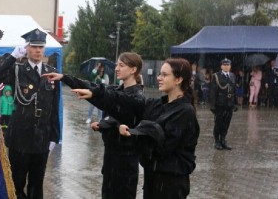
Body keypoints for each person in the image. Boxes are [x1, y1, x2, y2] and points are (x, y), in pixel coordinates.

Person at [70, 57, 200, 199]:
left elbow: (161, 147)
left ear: (178, 79)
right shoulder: (157, 105)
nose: (159, 78)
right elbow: (126, 103)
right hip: (152, 180)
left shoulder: (184, 111)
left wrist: (135, 133)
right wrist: (95, 94)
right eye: (159, 74)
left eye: (164, 74)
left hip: (171, 185)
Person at [43, 52, 145, 199]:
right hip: (110, 161)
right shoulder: (118, 90)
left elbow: (113, 98)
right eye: (117, 64)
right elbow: (96, 88)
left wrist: (95, 93)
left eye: (121, 65)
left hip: (125, 166)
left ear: (133, 70)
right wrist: (65, 78)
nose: (117, 68)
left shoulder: (137, 97)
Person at [0, 29, 60, 199]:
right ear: (27, 48)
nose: (38, 50)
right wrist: (12, 56)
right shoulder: (17, 69)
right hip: (20, 136)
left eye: (41, 47)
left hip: (41, 137)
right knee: (16, 183)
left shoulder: (51, 72)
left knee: (37, 184)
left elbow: (55, 107)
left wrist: (54, 137)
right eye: (34, 46)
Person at [210, 58, 237, 150]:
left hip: (229, 104)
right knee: (218, 123)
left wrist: (235, 103)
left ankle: (223, 140)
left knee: (226, 123)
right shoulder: (216, 76)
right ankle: (217, 141)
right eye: (224, 65)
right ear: (221, 66)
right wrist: (212, 105)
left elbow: (234, 91)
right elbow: (213, 92)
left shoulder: (232, 76)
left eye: (228, 65)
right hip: (220, 103)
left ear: (230, 66)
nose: (226, 66)